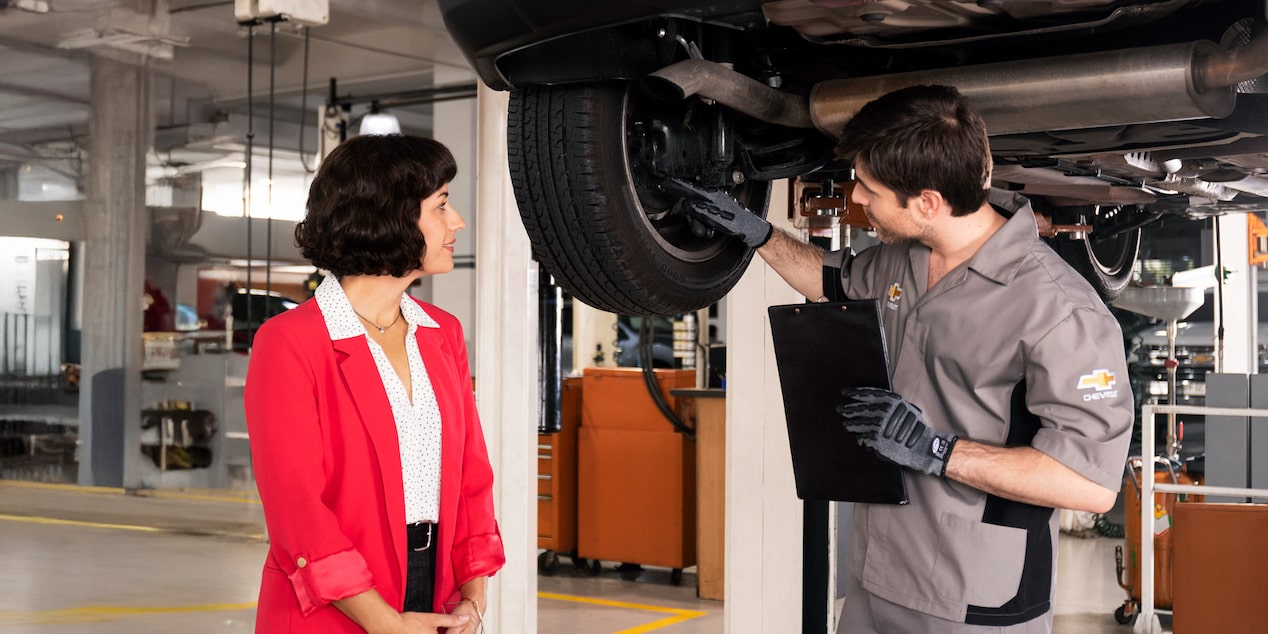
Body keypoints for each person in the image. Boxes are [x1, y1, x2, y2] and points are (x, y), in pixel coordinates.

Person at [678, 85, 1132, 633]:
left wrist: (938, 450)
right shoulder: (905, 260)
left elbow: (1090, 484)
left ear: (927, 202)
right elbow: (829, 281)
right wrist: (759, 234)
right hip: (877, 577)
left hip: (974, 600)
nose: (858, 199)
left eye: (869, 189)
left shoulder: (1060, 311)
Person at [244, 134, 504, 633]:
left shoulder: (442, 332)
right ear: (391, 216)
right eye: (442, 206)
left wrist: (473, 597)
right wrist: (383, 622)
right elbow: (297, 509)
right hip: (335, 601)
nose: (458, 223)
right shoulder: (290, 342)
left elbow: (472, 474)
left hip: (438, 589)